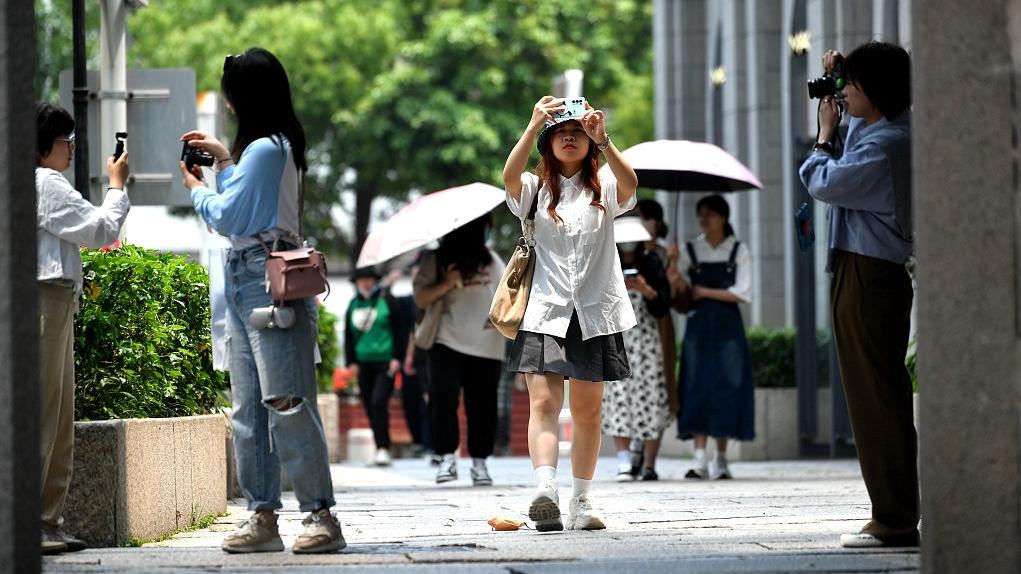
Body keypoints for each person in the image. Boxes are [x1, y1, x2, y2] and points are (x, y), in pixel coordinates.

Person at [179, 47, 344, 554]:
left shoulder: (268, 148)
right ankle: (262, 515)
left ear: (241, 97)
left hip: (267, 275)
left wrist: (197, 188)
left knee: (287, 402)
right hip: (249, 272)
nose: (227, 103)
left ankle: (320, 516)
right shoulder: (264, 149)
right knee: (249, 407)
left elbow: (229, 217)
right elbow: (247, 208)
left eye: (230, 93)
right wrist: (225, 162)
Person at [799, 42, 917, 549]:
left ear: (876, 89)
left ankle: (893, 520)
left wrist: (824, 138)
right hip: (866, 273)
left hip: (870, 276)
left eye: (852, 83)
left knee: (877, 400)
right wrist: (839, 75)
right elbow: (854, 144)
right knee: (873, 397)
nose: (843, 92)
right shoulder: (880, 133)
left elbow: (824, 180)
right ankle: (891, 513)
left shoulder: (886, 144)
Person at [503, 96, 638, 531]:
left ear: (589, 141)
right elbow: (508, 177)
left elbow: (632, 183)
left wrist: (606, 140)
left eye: (577, 132)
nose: (568, 137)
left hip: (595, 311)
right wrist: (532, 123)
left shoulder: (607, 187)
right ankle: (546, 489)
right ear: (547, 144)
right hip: (545, 309)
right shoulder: (534, 189)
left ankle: (582, 499)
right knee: (542, 402)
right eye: (560, 132)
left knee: (587, 411)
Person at [35, 103, 131, 555]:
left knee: (57, 413)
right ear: (42, 145)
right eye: (65, 141)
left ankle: (47, 522)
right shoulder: (45, 183)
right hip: (44, 301)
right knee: (45, 412)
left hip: (53, 300)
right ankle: (34, 522)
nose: (71, 149)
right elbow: (101, 228)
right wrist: (117, 186)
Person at [412, 215, 506, 485]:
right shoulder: (437, 259)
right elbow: (421, 297)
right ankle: (446, 458)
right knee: (443, 400)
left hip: (487, 342)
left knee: (483, 405)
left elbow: (509, 293)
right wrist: (446, 282)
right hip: (446, 340)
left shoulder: (492, 259)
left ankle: (480, 462)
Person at [667, 194, 755, 480]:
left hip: (729, 330)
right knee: (695, 386)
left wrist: (703, 291)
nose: (705, 219)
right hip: (698, 328)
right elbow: (680, 293)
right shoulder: (690, 249)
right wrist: (674, 268)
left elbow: (744, 293)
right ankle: (699, 458)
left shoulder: (738, 249)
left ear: (724, 217)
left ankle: (721, 458)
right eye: (701, 214)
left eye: (711, 214)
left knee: (727, 387)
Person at [601, 238, 672, 481]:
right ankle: (623, 460)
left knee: (652, 397)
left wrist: (646, 289)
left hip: (647, 343)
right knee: (618, 397)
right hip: (618, 341)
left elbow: (664, 303)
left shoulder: (651, 263)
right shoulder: (606, 259)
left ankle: (648, 463)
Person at [344, 267, 404, 467]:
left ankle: (384, 448)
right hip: (363, 363)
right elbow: (348, 337)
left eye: (369, 279)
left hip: (385, 361)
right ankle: (379, 446)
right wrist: (351, 362)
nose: (366, 283)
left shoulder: (388, 300)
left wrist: (398, 357)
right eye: (362, 280)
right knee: (369, 404)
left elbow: (400, 330)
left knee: (379, 402)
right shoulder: (353, 304)